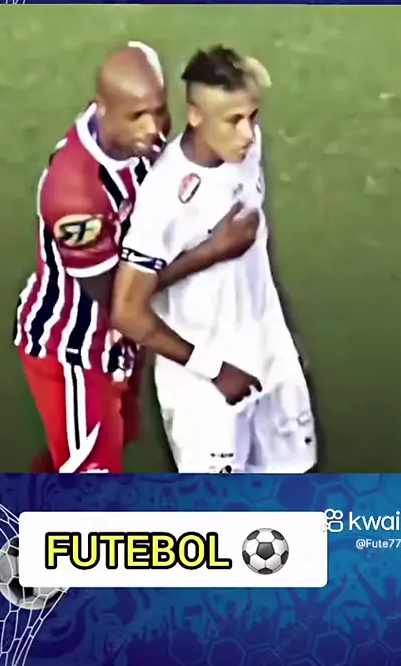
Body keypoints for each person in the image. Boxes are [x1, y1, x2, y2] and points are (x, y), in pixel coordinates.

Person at [14, 42, 261, 473]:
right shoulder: (75, 194)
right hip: (75, 351)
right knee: (92, 477)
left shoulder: (134, 141)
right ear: (102, 108)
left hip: (120, 341)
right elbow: (119, 300)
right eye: (136, 116)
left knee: (93, 449)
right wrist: (212, 251)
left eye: (159, 111)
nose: (154, 130)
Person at [111, 45, 318, 473]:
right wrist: (216, 370)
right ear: (195, 115)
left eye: (252, 117)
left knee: (295, 484)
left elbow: (250, 262)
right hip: (206, 389)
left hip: (272, 361)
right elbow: (127, 312)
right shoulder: (164, 196)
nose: (248, 133)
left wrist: (278, 337)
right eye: (233, 120)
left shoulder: (246, 151)